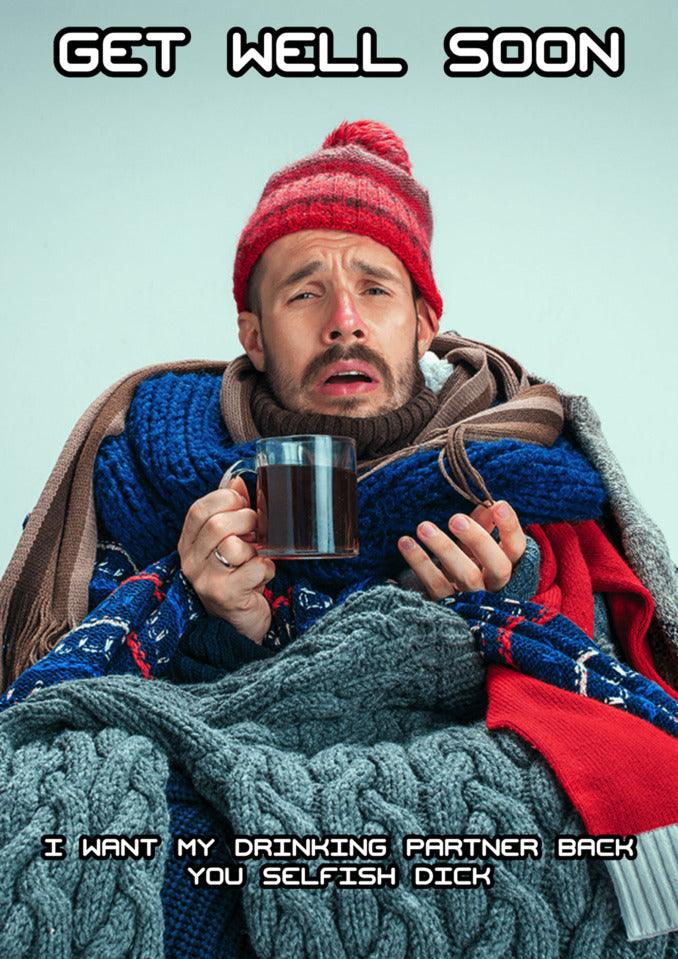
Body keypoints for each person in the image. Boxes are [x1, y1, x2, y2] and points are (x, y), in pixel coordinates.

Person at [0, 120, 676, 958]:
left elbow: (604, 681)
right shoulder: (146, 464)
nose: (345, 321)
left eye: (377, 290)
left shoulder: (518, 460)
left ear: (426, 321)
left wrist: (499, 601)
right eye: (303, 292)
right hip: (224, 763)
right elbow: (66, 692)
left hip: (445, 771)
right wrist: (214, 620)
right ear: (252, 332)